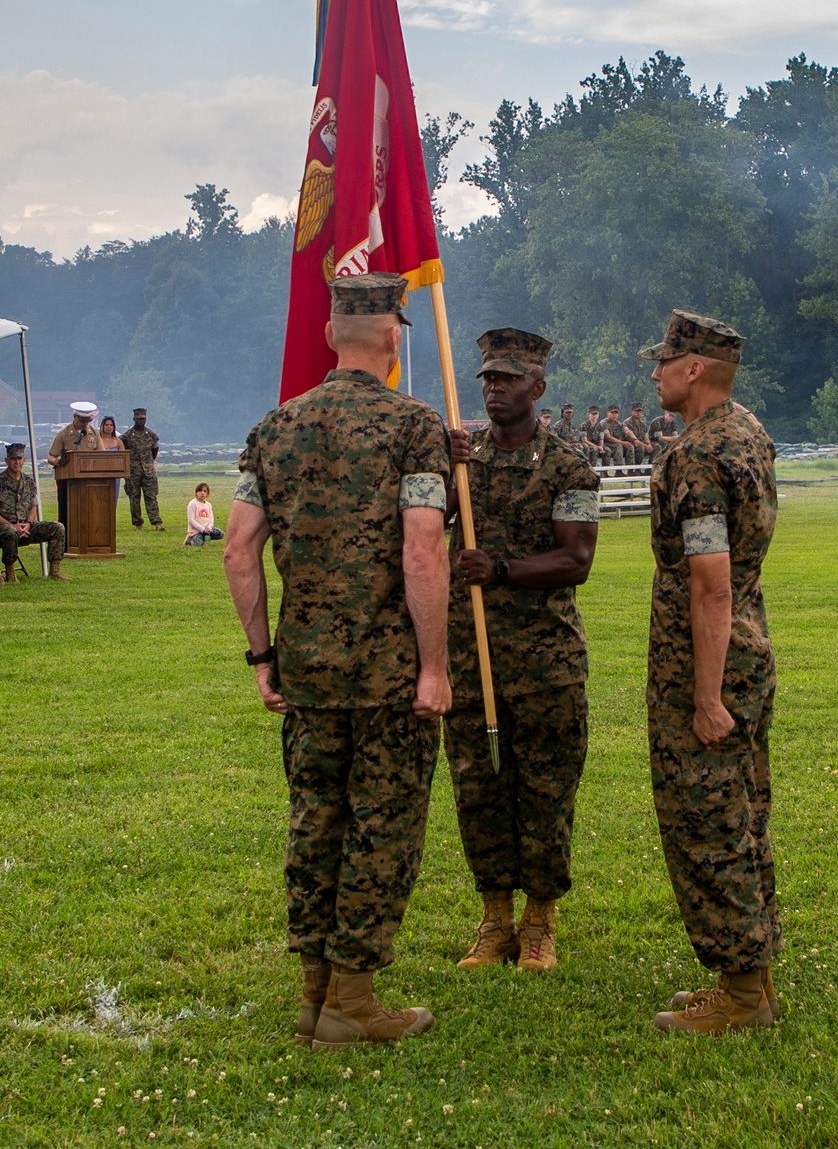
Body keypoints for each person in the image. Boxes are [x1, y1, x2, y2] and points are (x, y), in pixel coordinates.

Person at [224, 273, 451, 1052]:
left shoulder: (274, 428)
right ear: (393, 337)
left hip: (307, 672)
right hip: (388, 674)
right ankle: (352, 999)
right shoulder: (413, 426)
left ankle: (315, 992)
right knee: (381, 827)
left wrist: (263, 655)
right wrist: (434, 668)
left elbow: (237, 552)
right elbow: (423, 549)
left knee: (315, 821)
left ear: (330, 336)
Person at [639, 310, 781, 1035]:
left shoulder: (696, 454)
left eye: (663, 361)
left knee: (708, 821)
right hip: (749, 650)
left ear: (693, 368)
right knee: (745, 813)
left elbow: (710, 582)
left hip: (709, 664)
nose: (655, 372)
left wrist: (703, 695)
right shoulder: (748, 432)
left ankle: (743, 995)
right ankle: (750, 977)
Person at [445, 328, 599, 973]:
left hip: (544, 659)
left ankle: (539, 921)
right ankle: (494, 919)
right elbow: (431, 521)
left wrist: (500, 569)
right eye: (486, 378)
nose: (494, 388)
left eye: (508, 378)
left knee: (544, 787)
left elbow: (576, 559)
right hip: (469, 653)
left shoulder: (569, 465)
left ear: (538, 387)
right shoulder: (463, 457)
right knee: (478, 786)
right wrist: (441, 464)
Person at [0, 442, 68, 583]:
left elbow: (33, 505)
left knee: (57, 528)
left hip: (26, 527)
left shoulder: (29, 481)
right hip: (4, 528)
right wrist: (12, 526)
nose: (17, 462)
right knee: (10, 532)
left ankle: (54, 570)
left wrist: (29, 524)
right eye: (13, 459)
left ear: (24, 460)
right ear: (7, 461)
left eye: (20, 459)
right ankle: (10, 573)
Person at [48, 401, 103, 527]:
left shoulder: (94, 433)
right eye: (82, 420)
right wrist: (58, 462)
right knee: (66, 516)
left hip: (90, 481)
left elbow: (102, 455)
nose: (85, 424)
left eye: (87, 420)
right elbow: (51, 457)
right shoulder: (63, 434)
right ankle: (66, 543)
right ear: (75, 417)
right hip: (68, 482)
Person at [121, 408, 164, 530]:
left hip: (148, 471)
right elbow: (123, 451)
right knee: (134, 498)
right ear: (134, 419)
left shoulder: (151, 435)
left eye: (143, 419)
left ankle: (157, 522)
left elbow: (154, 452)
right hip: (133, 471)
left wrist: (148, 463)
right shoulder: (126, 436)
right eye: (139, 418)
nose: (141, 421)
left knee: (151, 496)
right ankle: (138, 523)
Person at [100, 415, 125, 501]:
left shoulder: (118, 442)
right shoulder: (97, 441)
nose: (109, 427)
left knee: (113, 499)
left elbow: (123, 458)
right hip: (100, 473)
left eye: (111, 425)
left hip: (115, 475)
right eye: (106, 425)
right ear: (102, 426)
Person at [601, 404, 632, 469]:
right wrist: (623, 443)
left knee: (630, 446)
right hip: (605, 444)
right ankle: (618, 470)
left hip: (616, 444)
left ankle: (631, 470)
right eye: (612, 413)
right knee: (619, 446)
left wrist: (635, 440)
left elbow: (628, 431)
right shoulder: (604, 423)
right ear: (608, 413)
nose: (614, 415)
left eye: (616, 413)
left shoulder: (619, 424)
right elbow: (608, 437)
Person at [625, 400, 654, 467]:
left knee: (656, 447)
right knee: (640, 447)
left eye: (640, 411)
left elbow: (646, 437)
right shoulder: (627, 423)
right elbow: (633, 439)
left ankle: (649, 469)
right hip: (631, 443)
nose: (638, 413)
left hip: (641, 444)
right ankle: (636, 468)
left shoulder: (643, 425)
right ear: (632, 411)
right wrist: (646, 446)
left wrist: (649, 445)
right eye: (636, 411)